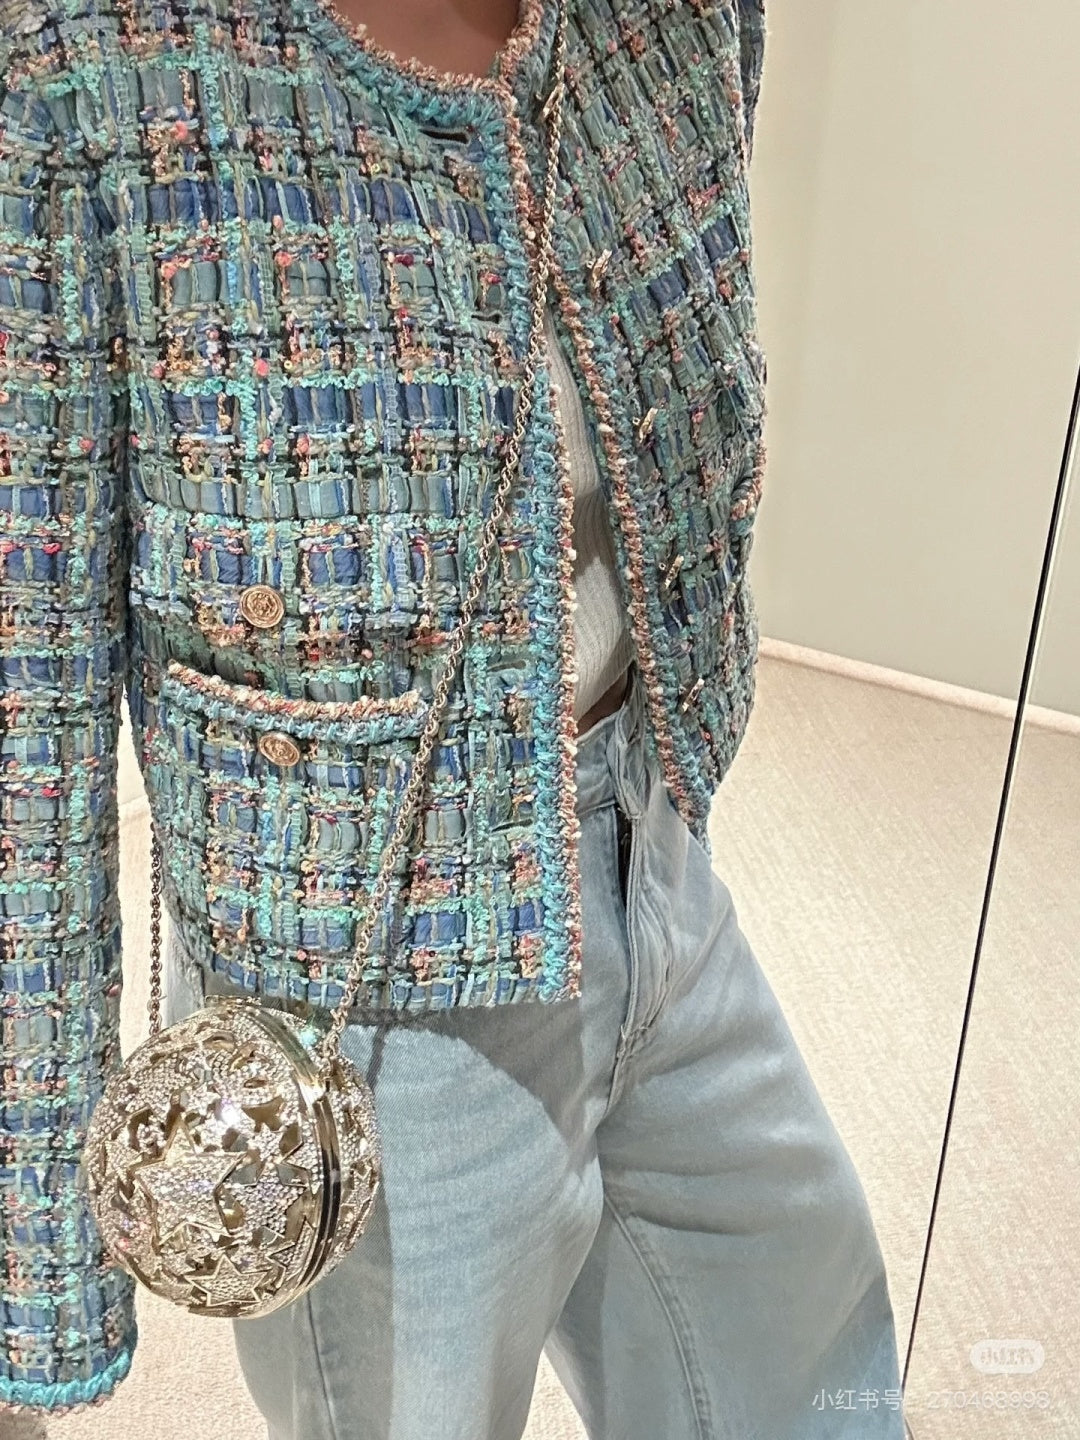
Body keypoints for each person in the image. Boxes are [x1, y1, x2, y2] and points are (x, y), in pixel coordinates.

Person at [0, 0, 908, 1435]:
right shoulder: (93, 65)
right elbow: (28, 699)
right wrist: (38, 1264)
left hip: (653, 851)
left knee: (810, 1366)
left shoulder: (657, 24)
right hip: (364, 1009)